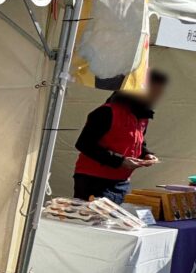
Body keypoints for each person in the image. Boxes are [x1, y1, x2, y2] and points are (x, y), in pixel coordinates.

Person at [72, 68, 168, 203]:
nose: (155, 97)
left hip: (121, 182)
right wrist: (120, 161)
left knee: (116, 222)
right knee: (92, 222)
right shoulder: (106, 112)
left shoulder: (142, 116)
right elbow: (84, 144)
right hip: (93, 180)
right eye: (152, 92)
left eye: (158, 93)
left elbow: (139, 141)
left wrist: (145, 154)